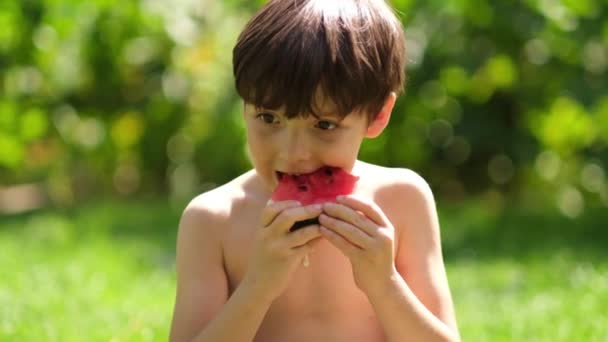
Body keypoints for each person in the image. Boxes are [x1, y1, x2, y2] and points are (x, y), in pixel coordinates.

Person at [169, 0, 460, 341]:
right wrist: (258, 286)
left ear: (378, 114)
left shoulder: (404, 200)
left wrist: (385, 284)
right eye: (268, 118)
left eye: (324, 124)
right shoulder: (212, 221)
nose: (293, 154)